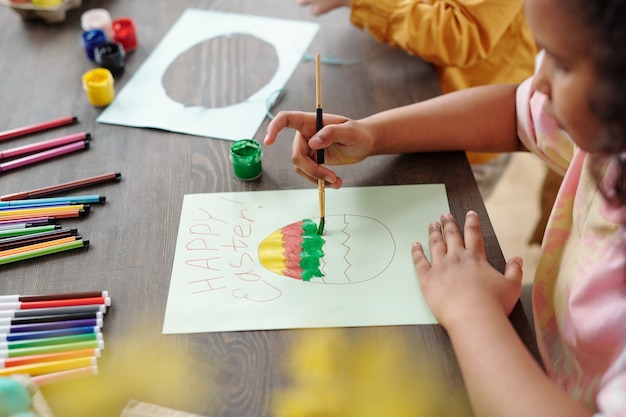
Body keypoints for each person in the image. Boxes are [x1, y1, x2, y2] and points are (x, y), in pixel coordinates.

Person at [264, 0, 626, 414]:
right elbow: (514, 112)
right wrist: (374, 134)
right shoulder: (605, 128)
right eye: (541, 50)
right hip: (555, 341)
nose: (537, 79)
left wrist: (470, 309)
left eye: (560, 64)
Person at [296, 0, 538, 198]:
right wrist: (374, 135)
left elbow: (460, 33)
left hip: (471, 136)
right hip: (411, 102)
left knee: (449, 220)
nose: (542, 84)